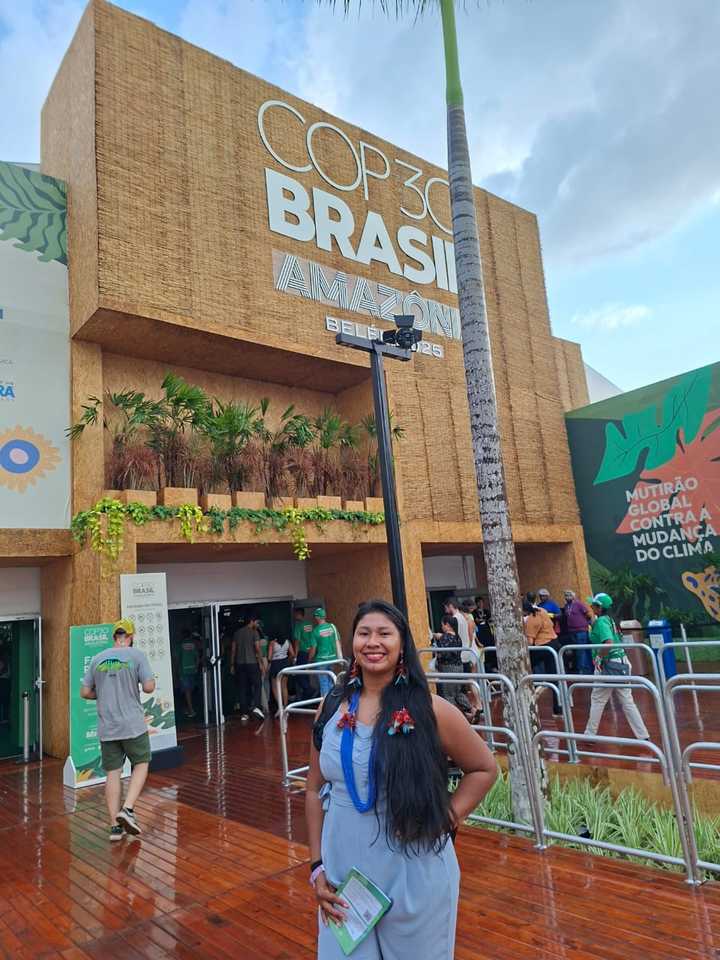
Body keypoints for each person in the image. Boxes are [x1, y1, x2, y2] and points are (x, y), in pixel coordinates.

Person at [306, 599, 497, 959]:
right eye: (364, 633)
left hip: (414, 870)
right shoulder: (331, 707)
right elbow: (315, 789)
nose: (373, 642)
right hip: (343, 876)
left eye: (384, 633)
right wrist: (317, 866)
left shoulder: (431, 710)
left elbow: (484, 769)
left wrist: (444, 820)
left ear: (401, 644)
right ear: (352, 643)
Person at [80, 619, 155, 842]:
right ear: (130, 637)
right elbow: (149, 687)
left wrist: (101, 694)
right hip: (132, 725)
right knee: (141, 763)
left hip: (108, 727)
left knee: (112, 773)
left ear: (114, 637)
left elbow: (85, 692)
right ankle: (128, 809)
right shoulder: (136, 655)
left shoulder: (97, 659)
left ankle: (114, 827)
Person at [583, 593, 650, 741]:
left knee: (598, 699)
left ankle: (589, 735)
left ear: (599, 608)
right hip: (622, 662)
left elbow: (608, 642)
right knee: (627, 700)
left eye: (593, 605)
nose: (591, 606)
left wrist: (599, 657)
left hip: (608, 665)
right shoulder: (610, 620)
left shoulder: (601, 622)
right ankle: (643, 735)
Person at [443, 598, 482, 720]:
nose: (445, 610)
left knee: (462, 685)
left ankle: (472, 709)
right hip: (468, 652)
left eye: (446, 607)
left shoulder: (456, 619)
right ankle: (476, 706)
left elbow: (457, 637)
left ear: (450, 606)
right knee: (467, 683)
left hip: (461, 655)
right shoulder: (465, 618)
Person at [523, 599, 562, 717]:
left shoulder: (531, 620)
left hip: (543, 646)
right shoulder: (542, 610)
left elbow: (530, 642)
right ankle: (558, 708)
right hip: (554, 643)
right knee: (555, 677)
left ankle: (532, 689)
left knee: (525, 667)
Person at [432, 615, 473, 718]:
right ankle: (472, 709)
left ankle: (459, 718)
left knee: (448, 695)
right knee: (458, 692)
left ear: (448, 625)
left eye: (443, 625)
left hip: (448, 668)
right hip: (459, 667)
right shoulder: (457, 637)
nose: (442, 627)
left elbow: (443, 654)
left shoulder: (445, 637)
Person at [230, 615, 265, 721]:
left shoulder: (237, 633)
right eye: (256, 622)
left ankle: (244, 714)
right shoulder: (254, 632)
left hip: (240, 664)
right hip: (252, 663)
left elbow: (233, 650)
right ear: (251, 621)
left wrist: (232, 664)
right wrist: (261, 663)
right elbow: (258, 649)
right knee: (257, 685)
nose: (257, 624)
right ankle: (257, 707)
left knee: (242, 688)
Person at [310, 608, 343, 698]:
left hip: (321, 660)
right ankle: (333, 703)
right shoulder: (332, 627)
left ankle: (325, 705)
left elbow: (313, 649)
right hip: (332, 659)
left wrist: (309, 659)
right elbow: (338, 641)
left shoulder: (315, 631)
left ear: (317, 617)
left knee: (324, 683)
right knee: (331, 680)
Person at [563, 590, 592, 674]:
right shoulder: (566, 606)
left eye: (569, 595)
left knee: (582, 651)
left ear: (573, 596)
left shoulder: (579, 604)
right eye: (566, 595)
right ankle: (583, 670)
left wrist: (587, 623)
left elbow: (588, 614)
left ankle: (585, 671)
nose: (567, 597)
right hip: (572, 631)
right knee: (577, 651)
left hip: (581, 631)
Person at [293, 607, 316, 702]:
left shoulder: (298, 625)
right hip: (310, 652)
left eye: (295, 614)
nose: (294, 616)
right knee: (305, 674)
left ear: (299, 614)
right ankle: (307, 697)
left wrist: (295, 655)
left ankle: (309, 690)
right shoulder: (310, 624)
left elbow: (297, 641)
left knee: (299, 674)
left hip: (302, 653)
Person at [176, 628, 199, 718]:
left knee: (186, 691)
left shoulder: (180, 645)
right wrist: (196, 667)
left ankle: (191, 710)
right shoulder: (193, 645)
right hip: (192, 670)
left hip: (183, 671)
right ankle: (188, 708)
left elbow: (178, 659)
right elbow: (197, 657)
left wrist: (176, 671)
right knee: (190, 690)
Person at [268, 635, 293, 718]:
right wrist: (287, 660)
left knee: (275, 687)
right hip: (285, 663)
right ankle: (286, 708)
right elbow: (292, 654)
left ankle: (280, 707)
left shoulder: (272, 643)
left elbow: (269, 657)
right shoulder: (287, 641)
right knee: (284, 687)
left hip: (275, 664)